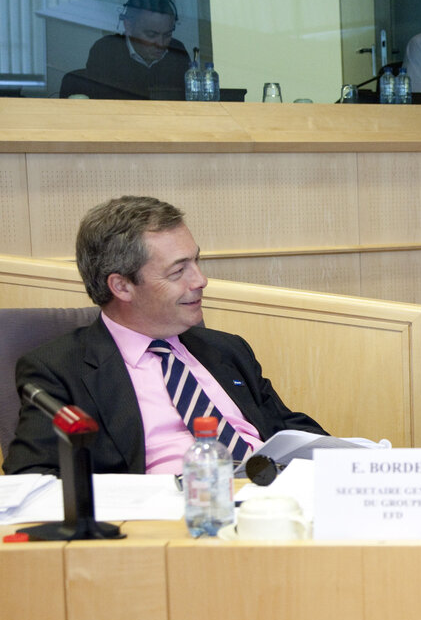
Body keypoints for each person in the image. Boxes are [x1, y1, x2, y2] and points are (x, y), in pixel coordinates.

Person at [4, 196, 326, 476]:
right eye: (178, 271)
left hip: (273, 500)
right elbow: (32, 476)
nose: (200, 280)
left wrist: (355, 459)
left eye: (196, 261)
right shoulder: (58, 370)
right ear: (122, 286)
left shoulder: (226, 349)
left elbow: (286, 428)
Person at [73, 0, 191, 100]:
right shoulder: (105, 51)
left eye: (167, 35)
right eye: (151, 35)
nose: (160, 43)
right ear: (128, 26)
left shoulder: (177, 52)